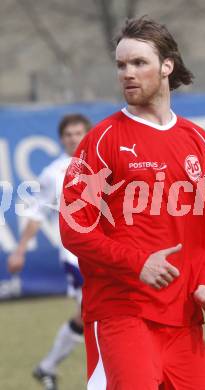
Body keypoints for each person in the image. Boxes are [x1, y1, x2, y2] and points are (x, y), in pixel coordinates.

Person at [60, 16, 205, 390]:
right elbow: (74, 229)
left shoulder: (198, 140)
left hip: (183, 320)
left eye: (139, 63)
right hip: (123, 314)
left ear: (167, 66)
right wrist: (139, 263)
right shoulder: (101, 140)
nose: (127, 74)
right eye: (121, 65)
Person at [7, 114, 93, 390]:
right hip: (75, 256)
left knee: (89, 316)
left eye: (78, 132)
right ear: (61, 139)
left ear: (88, 134)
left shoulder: (102, 163)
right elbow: (36, 214)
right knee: (94, 314)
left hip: (107, 254)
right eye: (68, 134)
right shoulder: (53, 173)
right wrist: (20, 250)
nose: (73, 138)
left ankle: (46, 367)